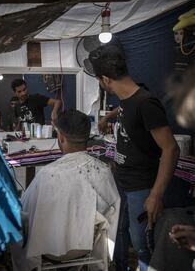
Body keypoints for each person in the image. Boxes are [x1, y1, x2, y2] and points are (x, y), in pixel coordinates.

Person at [89, 45, 180, 271]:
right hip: (123, 182)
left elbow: (171, 149)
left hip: (142, 187)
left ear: (106, 80)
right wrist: (107, 118)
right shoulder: (126, 98)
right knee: (120, 233)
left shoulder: (146, 103)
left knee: (143, 246)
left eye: (99, 80)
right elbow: (123, 111)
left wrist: (156, 195)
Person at [11, 109, 120, 271]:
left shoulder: (47, 174)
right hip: (85, 248)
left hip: (48, 250)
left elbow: (25, 213)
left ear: (60, 137)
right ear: (87, 136)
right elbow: (113, 212)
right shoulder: (102, 171)